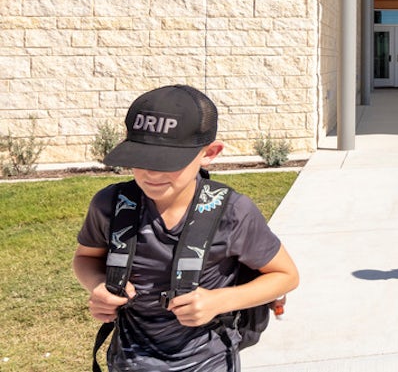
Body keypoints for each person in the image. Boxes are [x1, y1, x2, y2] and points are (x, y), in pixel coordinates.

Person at [73, 84, 300, 372]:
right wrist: (98, 286)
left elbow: (286, 276)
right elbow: (85, 258)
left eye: (168, 161)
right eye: (141, 157)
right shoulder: (110, 205)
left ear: (210, 153)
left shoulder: (232, 212)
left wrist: (218, 301)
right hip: (128, 361)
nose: (152, 172)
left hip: (209, 362)